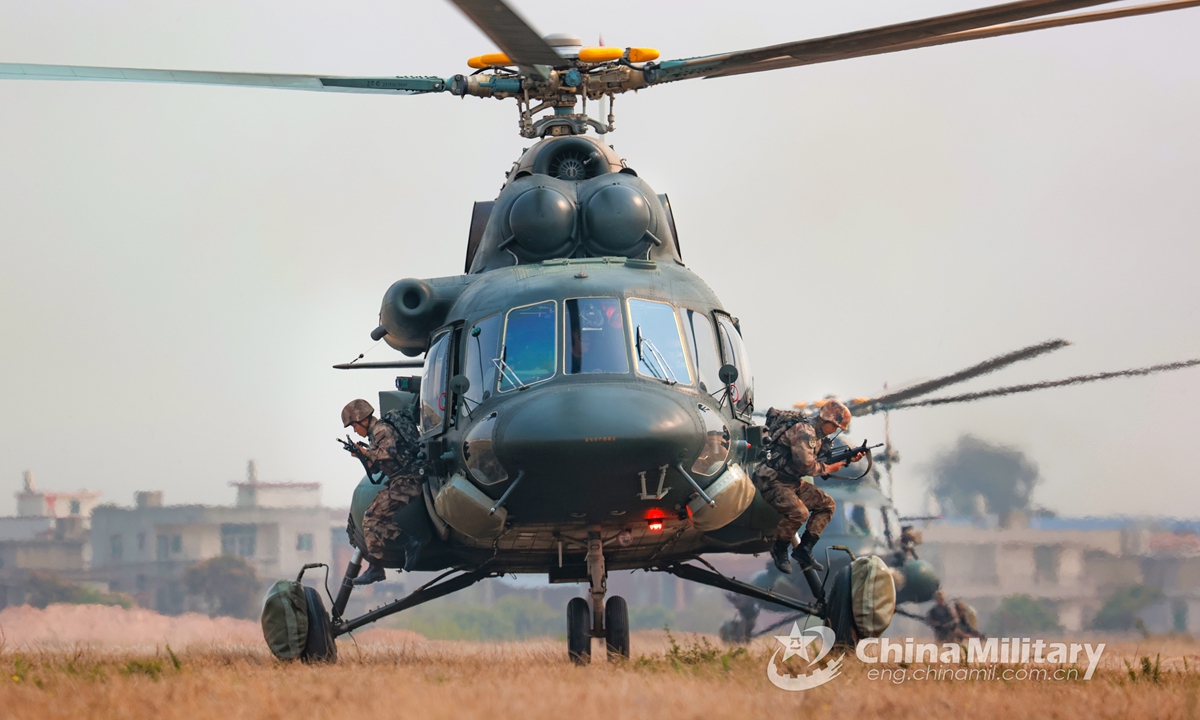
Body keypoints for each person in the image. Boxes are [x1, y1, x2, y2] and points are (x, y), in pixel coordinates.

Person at [755, 400, 864, 574]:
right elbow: (805, 466)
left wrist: (848, 459)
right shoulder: (805, 432)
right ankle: (780, 549)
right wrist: (828, 469)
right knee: (800, 513)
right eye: (835, 426)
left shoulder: (818, 437)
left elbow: (820, 460)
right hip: (772, 480)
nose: (835, 431)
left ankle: (804, 549)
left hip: (791, 482)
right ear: (826, 420)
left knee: (827, 504)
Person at [340, 398, 423, 585]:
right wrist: (361, 455)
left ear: (362, 419)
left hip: (407, 481)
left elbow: (389, 452)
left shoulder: (381, 430)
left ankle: (376, 569)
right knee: (377, 521)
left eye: (354, 426)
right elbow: (377, 469)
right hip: (401, 481)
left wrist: (365, 452)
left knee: (370, 518)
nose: (355, 430)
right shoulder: (374, 436)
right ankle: (409, 543)